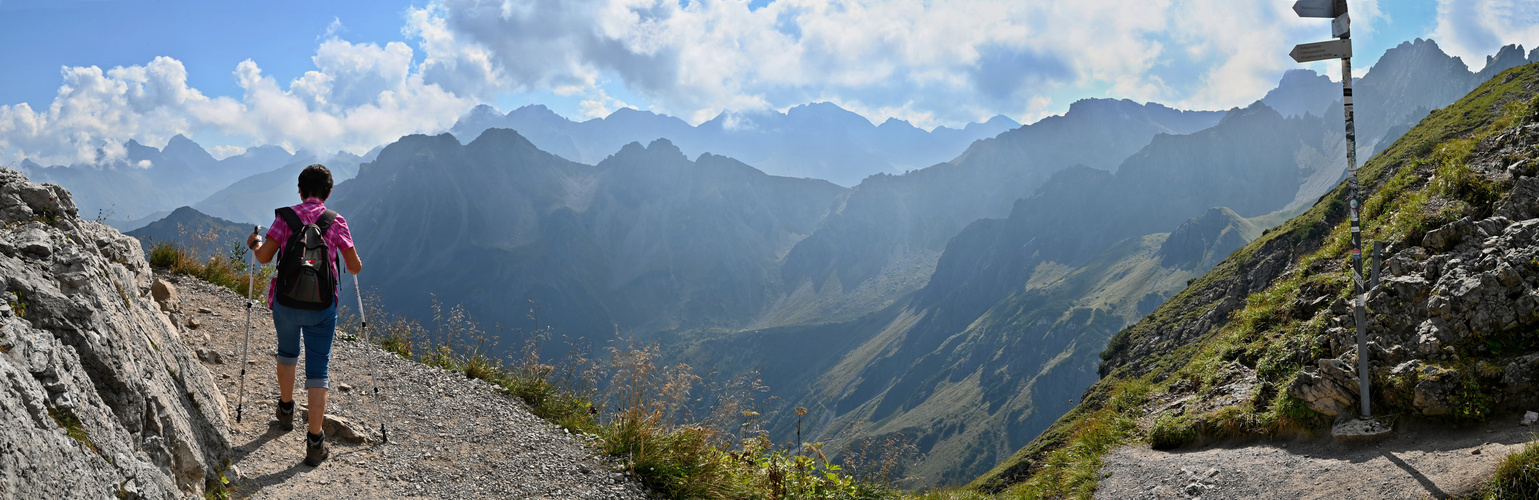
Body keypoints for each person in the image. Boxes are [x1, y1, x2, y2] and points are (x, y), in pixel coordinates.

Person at [247, 164, 362, 467]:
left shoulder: (285, 218)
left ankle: (285, 412)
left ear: (299, 189)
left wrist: (255, 242)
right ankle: (315, 442)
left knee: (287, 353)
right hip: (322, 308)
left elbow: (264, 257)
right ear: (328, 192)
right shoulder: (336, 222)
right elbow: (354, 267)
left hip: (285, 302)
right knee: (318, 369)